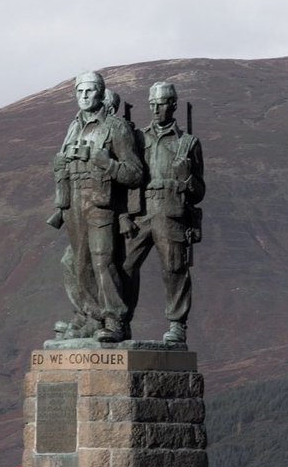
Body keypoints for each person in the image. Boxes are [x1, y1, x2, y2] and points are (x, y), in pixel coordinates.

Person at [49, 71, 145, 342]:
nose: (84, 96)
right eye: (79, 92)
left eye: (89, 91)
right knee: (79, 264)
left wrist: (105, 162)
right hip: (74, 204)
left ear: (101, 93)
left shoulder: (116, 127)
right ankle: (92, 318)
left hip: (102, 204)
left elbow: (135, 173)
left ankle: (115, 320)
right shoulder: (74, 127)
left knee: (103, 261)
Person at [122, 81, 204, 344]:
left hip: (170, 211)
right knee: (124, 265)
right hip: (140, 211)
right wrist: (124, 214)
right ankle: (120, 320)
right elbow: (126, 177)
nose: (155, 109)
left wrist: (187, 177)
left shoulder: (188, 143)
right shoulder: (138, 138)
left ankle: (177, 324)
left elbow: (200, 191)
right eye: (152, 104)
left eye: (161, 104)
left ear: (174, 105)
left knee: (174, 268)